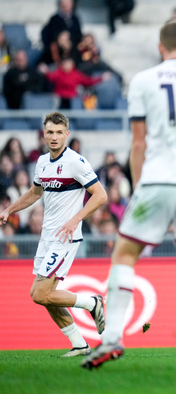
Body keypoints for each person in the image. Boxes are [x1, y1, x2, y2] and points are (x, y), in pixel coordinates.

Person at [81, 20, 176, 370]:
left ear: (160, 46)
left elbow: (138, 142)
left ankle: (111, 339)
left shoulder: (144, 80)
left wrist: (138, 186)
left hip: (157, 179)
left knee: (125, 254)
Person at [0, 111, 107, 357]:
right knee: (43, 296)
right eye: (50, 132)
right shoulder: (41, 162)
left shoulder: (75, 162)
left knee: (40, 293)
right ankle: (80, 344)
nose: (55, 137)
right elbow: (35, 193)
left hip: (65, 237)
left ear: (66, 134)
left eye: (59, 132)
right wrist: (9, 209)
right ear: (44, 134)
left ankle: (93, 303)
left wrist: (75, 220)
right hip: (47, 236)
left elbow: (101, 195)